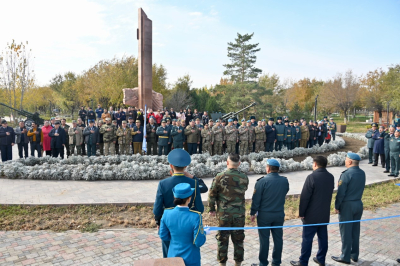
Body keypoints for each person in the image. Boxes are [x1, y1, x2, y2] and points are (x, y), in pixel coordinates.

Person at [153, 149, 205, 258]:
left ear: (171, 166)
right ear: (186, 167)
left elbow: (157, 208)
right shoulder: (193, 183)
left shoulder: (163, 183)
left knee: (169, 256)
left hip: (168, 222)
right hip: (188, 223)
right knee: (189, 253)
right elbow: (199, 208)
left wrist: (159, 222)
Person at [290, 156, 334, 266]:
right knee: (323, 238)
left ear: (315, 164)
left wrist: (302, 213)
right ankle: (321, 259)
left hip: (311, 215)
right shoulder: (331, 177)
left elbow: (305, 197)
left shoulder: (312, 177)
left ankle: (303, 261)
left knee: (307, 239)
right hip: (324, 214)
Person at [208, 153, 249, 266]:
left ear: (227, 162)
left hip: (223, 214)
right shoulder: (244, 177)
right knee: (239, 240)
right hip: (239, 214)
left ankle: (222, 264)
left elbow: (212, 194)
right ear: (239, 164)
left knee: (222, 239)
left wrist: (212, 208)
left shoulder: (219, 176)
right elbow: (244, 189)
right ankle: (238, 264)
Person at [250, 159, 289, 266]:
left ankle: (263, 263)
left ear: (268, 168)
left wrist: (253, 213)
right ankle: (276, 262)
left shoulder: (261, 181)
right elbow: (285, 192)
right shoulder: (284, 180)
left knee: (264, 240)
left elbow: (256, 200)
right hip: (279, 214)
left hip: (264, 215)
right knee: (278, 239)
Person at [159, 183, 207, 266]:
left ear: (175, 197)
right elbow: (198, 242)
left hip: (173, 255)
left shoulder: (166, 213)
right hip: (191, 258)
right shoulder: (195, 216)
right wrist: (204, 232)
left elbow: (163, 236)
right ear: (189, 199)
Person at [331, 153, 366, 264]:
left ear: (350, 162)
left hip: (347, 205)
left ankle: (345, 256)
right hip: (358, 203)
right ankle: (354, 255)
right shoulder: (362, 173)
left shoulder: (346, 174)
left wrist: (337, 206)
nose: (345, 161)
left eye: (346, 160)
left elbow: (341, 193)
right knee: (355, 230)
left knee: (346, 231)